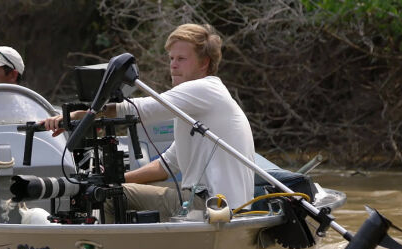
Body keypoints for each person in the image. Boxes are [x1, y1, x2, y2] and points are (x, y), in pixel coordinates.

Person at [44, 23, 255, 222]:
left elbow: (136, 109)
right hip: (220, 204)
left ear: (204, 63)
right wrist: (118, 178)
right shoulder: (204, 101)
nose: (173, 65)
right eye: (171, 58)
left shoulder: (204, 89)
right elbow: (165, 166)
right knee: (115, 188)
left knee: (107, 197)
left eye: (182, 58)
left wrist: (74, 116)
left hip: (212, 206)